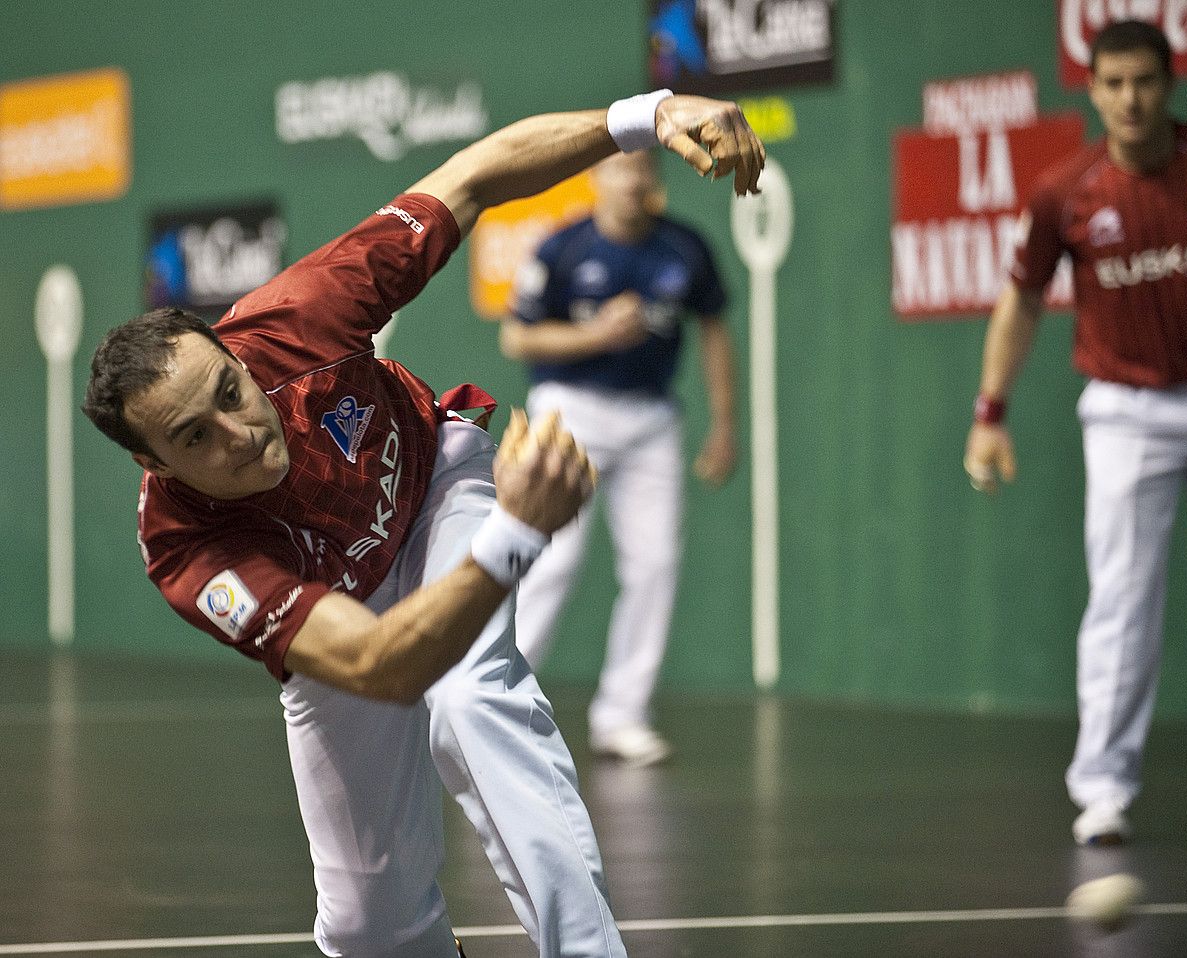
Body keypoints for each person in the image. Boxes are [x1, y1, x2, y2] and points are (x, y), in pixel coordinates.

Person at [82, 91, 764, 958]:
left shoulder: (303, 313)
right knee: (371, 924)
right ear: (155, 466)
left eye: (229, 390)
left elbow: (472, 176)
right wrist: (519, 534)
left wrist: (649, 114)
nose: (239, 430)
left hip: (434, 491)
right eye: (193, 437)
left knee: (472, 701)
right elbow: (378, 664)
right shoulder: (185, 548)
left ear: (231, 350)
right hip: (348, 625)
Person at [963, 20, 1187, 847]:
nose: (1131, 98)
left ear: (1170, 83)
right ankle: (1103, 789)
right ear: (1093, 90)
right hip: (1127, 410)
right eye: (1114, 83)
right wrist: (990, 413)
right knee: (1124, 600)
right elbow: (1021, 301)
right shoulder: (1066, 191)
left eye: (1145, 81)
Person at [499, 150, 737, 766]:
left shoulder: (686, 248)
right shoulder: (560, 250)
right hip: (570, 409)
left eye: (645, 172)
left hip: (653, 418)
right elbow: (518, 336)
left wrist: (726, 424)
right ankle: (498, 706)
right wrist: (595, 336)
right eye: (622, 171)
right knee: (552, 561)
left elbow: (713, 330)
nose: (635, 182)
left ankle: (623, 716)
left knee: (655, 564)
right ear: (596, 178)